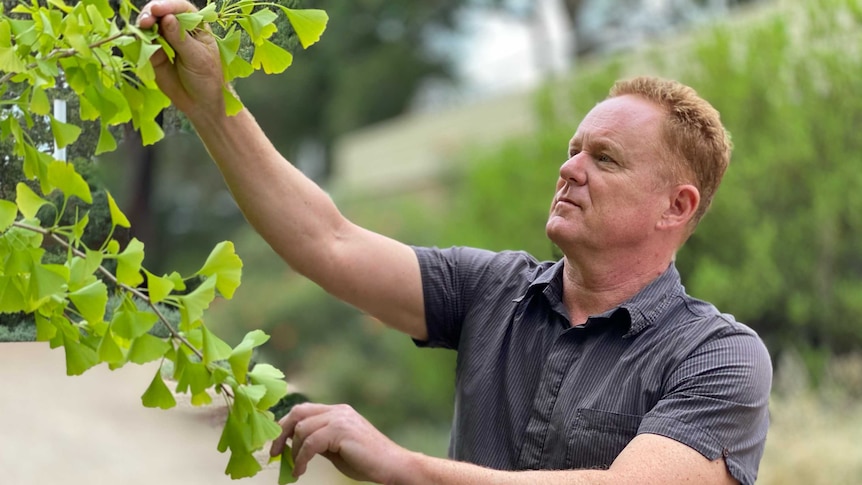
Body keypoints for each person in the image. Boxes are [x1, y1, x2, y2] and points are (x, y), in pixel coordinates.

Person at [137, 2, 772, 484]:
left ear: (676, 206)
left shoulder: (719, 358)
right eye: (573, 150)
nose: (570, 169)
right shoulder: (493, 290)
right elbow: (326, 241)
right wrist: (211, 104)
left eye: (605, 159)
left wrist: (401, 465)